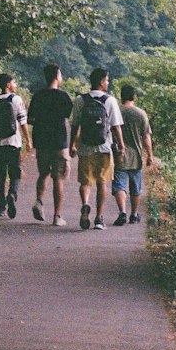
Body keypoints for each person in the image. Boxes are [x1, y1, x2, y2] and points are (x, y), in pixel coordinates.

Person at [69, 67, 124, 230]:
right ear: (101, 82)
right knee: (102, 182)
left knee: (85, 181)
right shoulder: (110, 100)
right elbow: (116, 127)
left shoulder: (80, 100)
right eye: (107, 80)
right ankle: (99, 218)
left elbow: (75, 125)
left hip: (85, 147)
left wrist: (72, 144)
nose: (108, 83)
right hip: (104, 147)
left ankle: (85, 204)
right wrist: (121, 146)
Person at [27, 63, 74, 226]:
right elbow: (68, 117)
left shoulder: (38, 96)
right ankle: (57, 216)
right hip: (59, 142)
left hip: (42, 141)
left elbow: (30, 119)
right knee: (59, 179)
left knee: (43, 173)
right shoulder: (64, 97)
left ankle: (39, 201)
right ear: (57, 76)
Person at [0, 72, 27, 219]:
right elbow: (22, 122)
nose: (15, 85)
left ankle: (0, 208)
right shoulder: (16, 100)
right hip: (14, 143)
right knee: (15, 173)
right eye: (14, 82)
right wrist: (28, 139)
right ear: (8, 84)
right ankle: (12, 194)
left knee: (0, 176)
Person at [111, 83, 153, 227]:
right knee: (136, 187)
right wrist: (150, 155)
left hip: (119, 154)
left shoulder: (116, 111)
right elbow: (146, 136)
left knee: (119, 185)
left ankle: (122, 211)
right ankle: (134, 214)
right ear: (134, 96)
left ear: (121, 96)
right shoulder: (141, 113)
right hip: (136, 155)